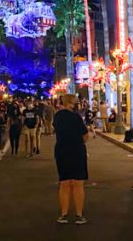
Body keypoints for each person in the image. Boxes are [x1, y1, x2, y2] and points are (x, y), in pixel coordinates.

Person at [53, 94, 88, 225]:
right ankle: (79, 214)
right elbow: (85, 135)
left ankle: (64, 213)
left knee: (64, 183)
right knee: (78, 183)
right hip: (77, 150)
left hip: (62, 150)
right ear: (72, 103)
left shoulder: (57, 116)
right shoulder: (76, 117)